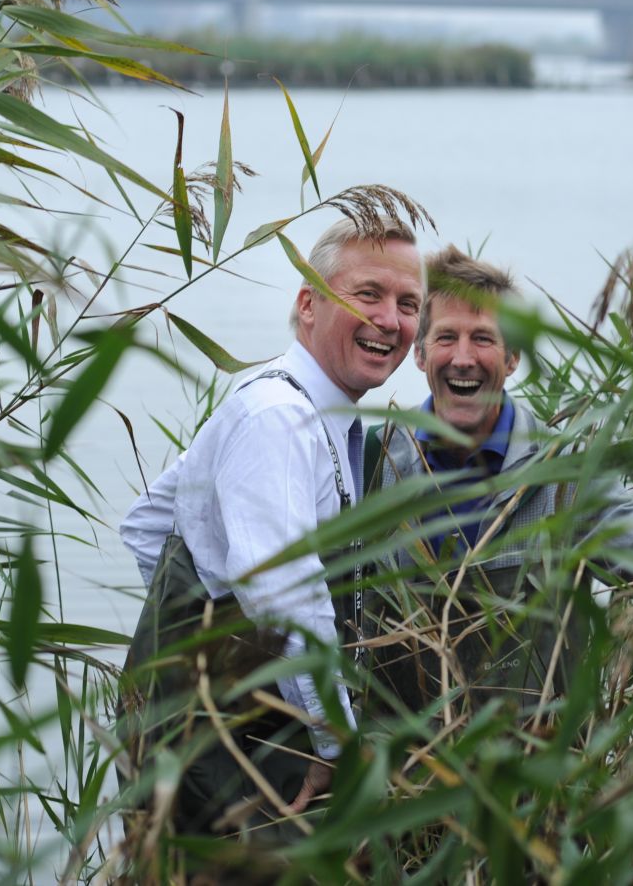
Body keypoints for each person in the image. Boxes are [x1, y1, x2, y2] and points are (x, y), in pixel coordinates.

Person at [117, 215, 423, 837]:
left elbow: (149, 523)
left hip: (228, 731)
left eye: (408, 304)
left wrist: (191, 639)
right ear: (308, 304)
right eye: (368, 293)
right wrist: (336, 745)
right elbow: (286, 600)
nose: (390, 320)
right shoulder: (277, 419)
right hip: (227, 755)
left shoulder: (296, 408)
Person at [365, 246, 633, 718]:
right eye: (446, 337)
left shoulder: (567, 472)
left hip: (539, 756)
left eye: (483, 338)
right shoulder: (374, 462)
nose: (463, 358)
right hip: (404, 758)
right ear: (419, 354)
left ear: (513, 357)